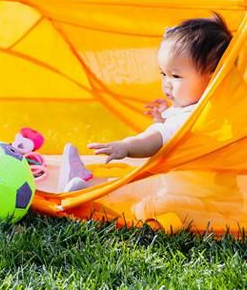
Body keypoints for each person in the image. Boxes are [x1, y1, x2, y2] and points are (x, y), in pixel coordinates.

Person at [59, 13, 232, 192]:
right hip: (183, 186)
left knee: (135, 193)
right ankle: (86, 181)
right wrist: (161, 120)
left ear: (213, 78)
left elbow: (155, 140)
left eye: (176, 76)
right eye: (163, 74)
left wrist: (126, 146)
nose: (166, 82)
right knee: (135, 185)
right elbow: (169, 137)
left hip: (194, 195)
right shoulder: (197, 109)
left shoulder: (194, 117)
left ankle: (87, 193)